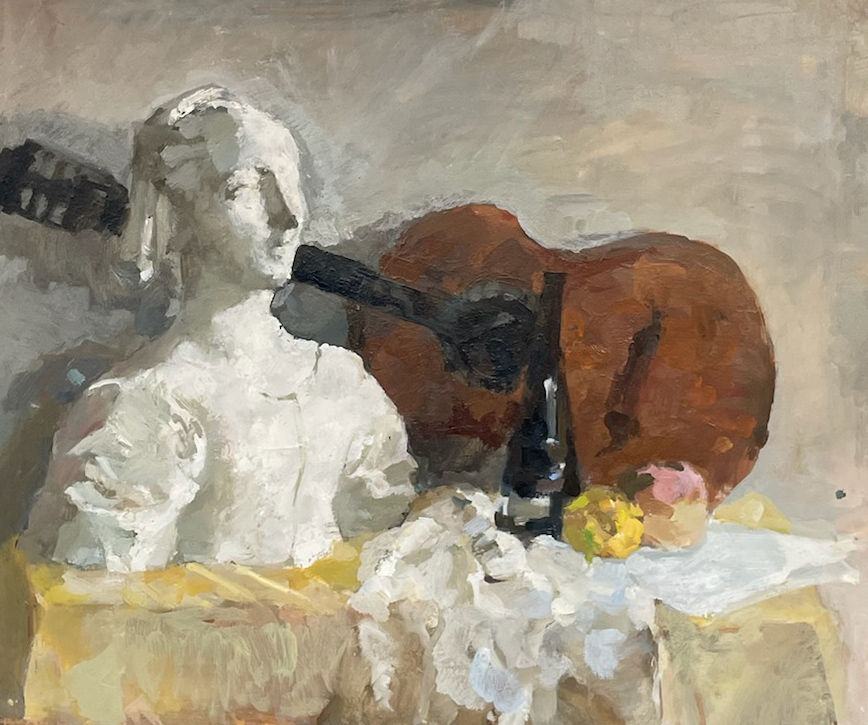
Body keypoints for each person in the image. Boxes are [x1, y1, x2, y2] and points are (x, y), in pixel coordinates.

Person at [21, 86, 416, 572]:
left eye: (290, 183)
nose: (287, 216)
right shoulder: (145, 405)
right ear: (178, 221)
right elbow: (95, 601)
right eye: (246, 188)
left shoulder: (343, 387)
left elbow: (384, 561)